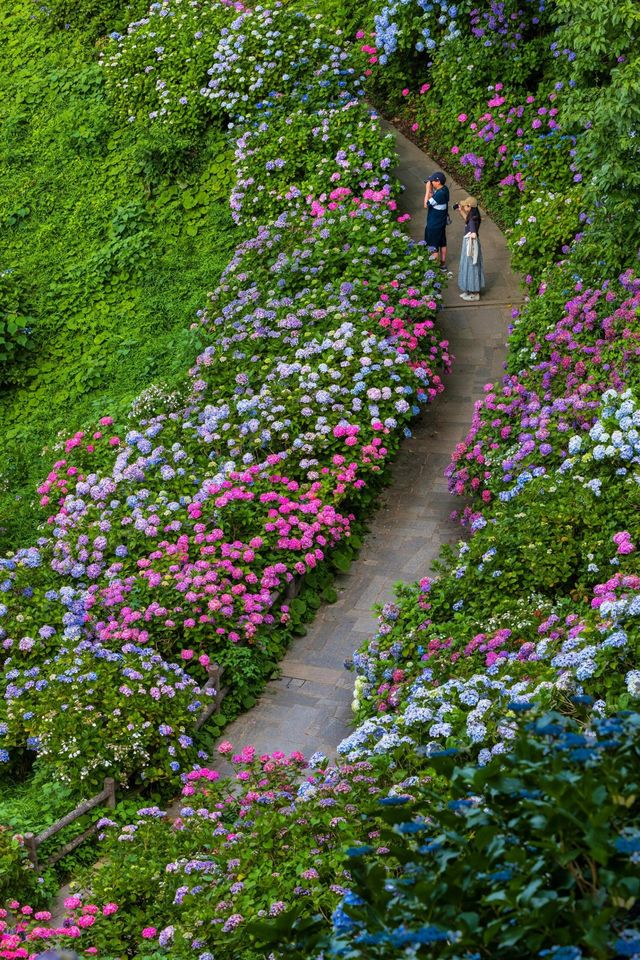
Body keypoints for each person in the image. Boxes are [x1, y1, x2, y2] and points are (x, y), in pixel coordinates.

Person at [455, 196, 485, 301]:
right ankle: (469, 290)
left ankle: (474, 293)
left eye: (465, 205)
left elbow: (473, 233)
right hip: (470, 243)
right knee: (469, 265)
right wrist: (461, 211)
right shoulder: (474, 215)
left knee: (471, 266)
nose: (463, 206)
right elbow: (467, 222)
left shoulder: (473, 218)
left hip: (470, 245)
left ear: (470, 206)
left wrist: (471, 234)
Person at [423, 171, 450, 272]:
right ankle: (443, 265)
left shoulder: (439, 195)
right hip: (441, 223)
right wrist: (431, 191)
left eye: (432, 181)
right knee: (442, 242)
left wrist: (427, 190)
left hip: (434, 225)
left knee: (433, 246)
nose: (431, 183)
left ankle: (433, 270)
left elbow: (426, 204)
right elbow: (433, 198)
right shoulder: (444, 189)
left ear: (438, 182)